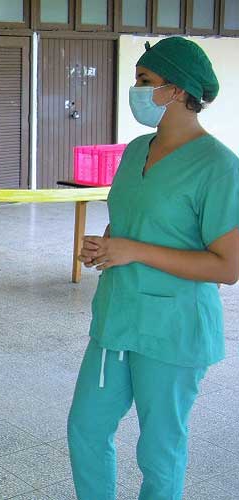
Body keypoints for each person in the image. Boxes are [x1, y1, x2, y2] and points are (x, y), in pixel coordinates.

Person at [67, 37, 239, 500]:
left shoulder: (219, 167)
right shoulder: (136, 150)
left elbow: (228, 267)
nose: (137, 90)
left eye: (146, 81)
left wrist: (135, 251)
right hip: (117, 317)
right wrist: (105, 247)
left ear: (179, 90)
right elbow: (131, 220)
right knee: (85, 428)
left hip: (173, 330)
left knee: (159, 451)